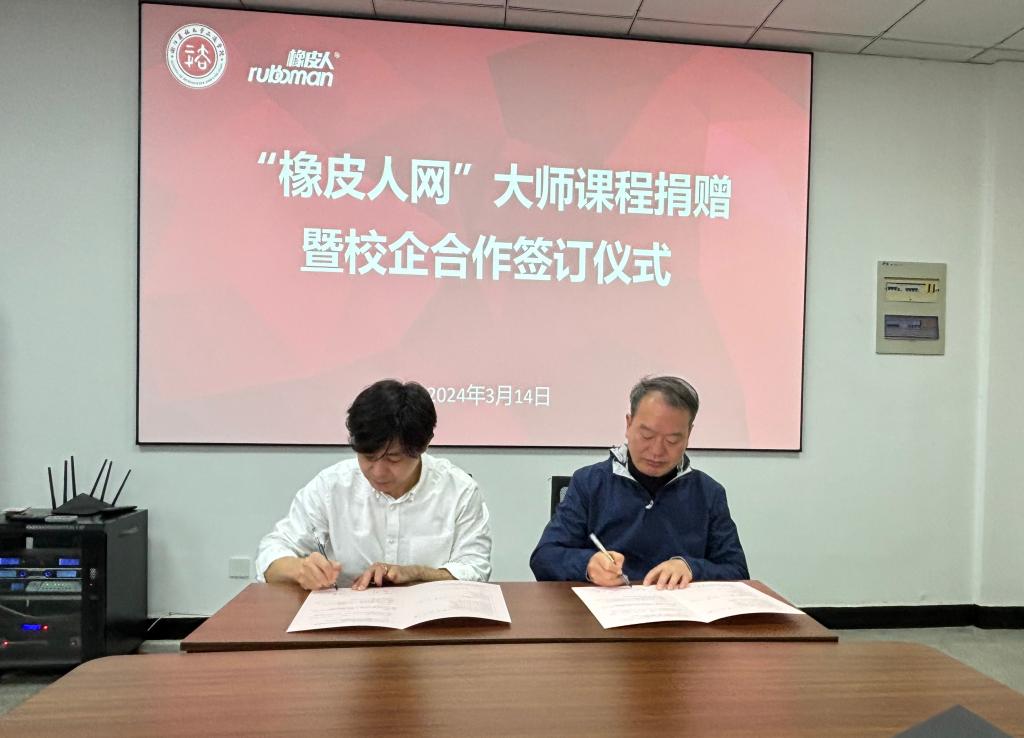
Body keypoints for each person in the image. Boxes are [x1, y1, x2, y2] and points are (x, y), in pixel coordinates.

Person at [256, 379, 491, 590]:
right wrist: (300, 569)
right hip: (347, 619)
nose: (378, 471)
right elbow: (271, 554)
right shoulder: (332, 487)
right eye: (368, 457)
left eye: (393, 459)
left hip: (431, 620)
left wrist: (416, 573)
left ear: (424, 446)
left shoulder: (459, 491)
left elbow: (476, 570)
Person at [530, 375, 748, 589]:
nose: (657, 451)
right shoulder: (589, 483)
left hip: (677, 610)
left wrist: (691, 568)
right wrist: (587, 565)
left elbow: (737, 571)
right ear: (629, 424)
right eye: (647, 436)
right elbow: (544, 558)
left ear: (689, 434)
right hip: (607, 608)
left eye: (672, 440)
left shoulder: (708, 493)